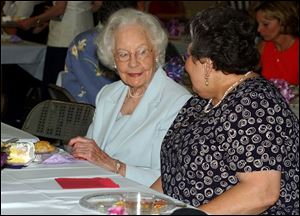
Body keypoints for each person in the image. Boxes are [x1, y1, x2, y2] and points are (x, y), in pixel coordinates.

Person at [151, 7, 299, 215]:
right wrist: (143, 204)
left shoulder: (254, 104)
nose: (185, 65)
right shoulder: (203, 102)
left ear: (208, 65)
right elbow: (176, 171)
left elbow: (262, 192)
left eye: (189, 56)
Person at [67, 8, 192, 187]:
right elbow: (89, 156)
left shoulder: (178, 102)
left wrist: (114, 166)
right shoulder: (108, 94)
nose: (133, 63)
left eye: (141, 52)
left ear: (156, 53)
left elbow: (169, 179)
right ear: (113, 60)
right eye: (123, 54)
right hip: (97, 192)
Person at [61, 1, 142, 105]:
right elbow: (103, 93)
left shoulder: (89, 37)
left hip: (79, 107)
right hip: (90, 111)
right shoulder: (98, 41)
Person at [18, 1, 103, 85]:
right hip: (85, 33)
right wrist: (80, 9)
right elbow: (98, 4)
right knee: (81, 79)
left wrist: (33, 21)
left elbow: (59, 9)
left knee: (56, 80)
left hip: (63, 35)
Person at [253, 1, 299, 85]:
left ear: (283, 22)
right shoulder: (264, 45)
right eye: (258, 24)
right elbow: (246, 71)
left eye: (265, 24)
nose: (258, 29)